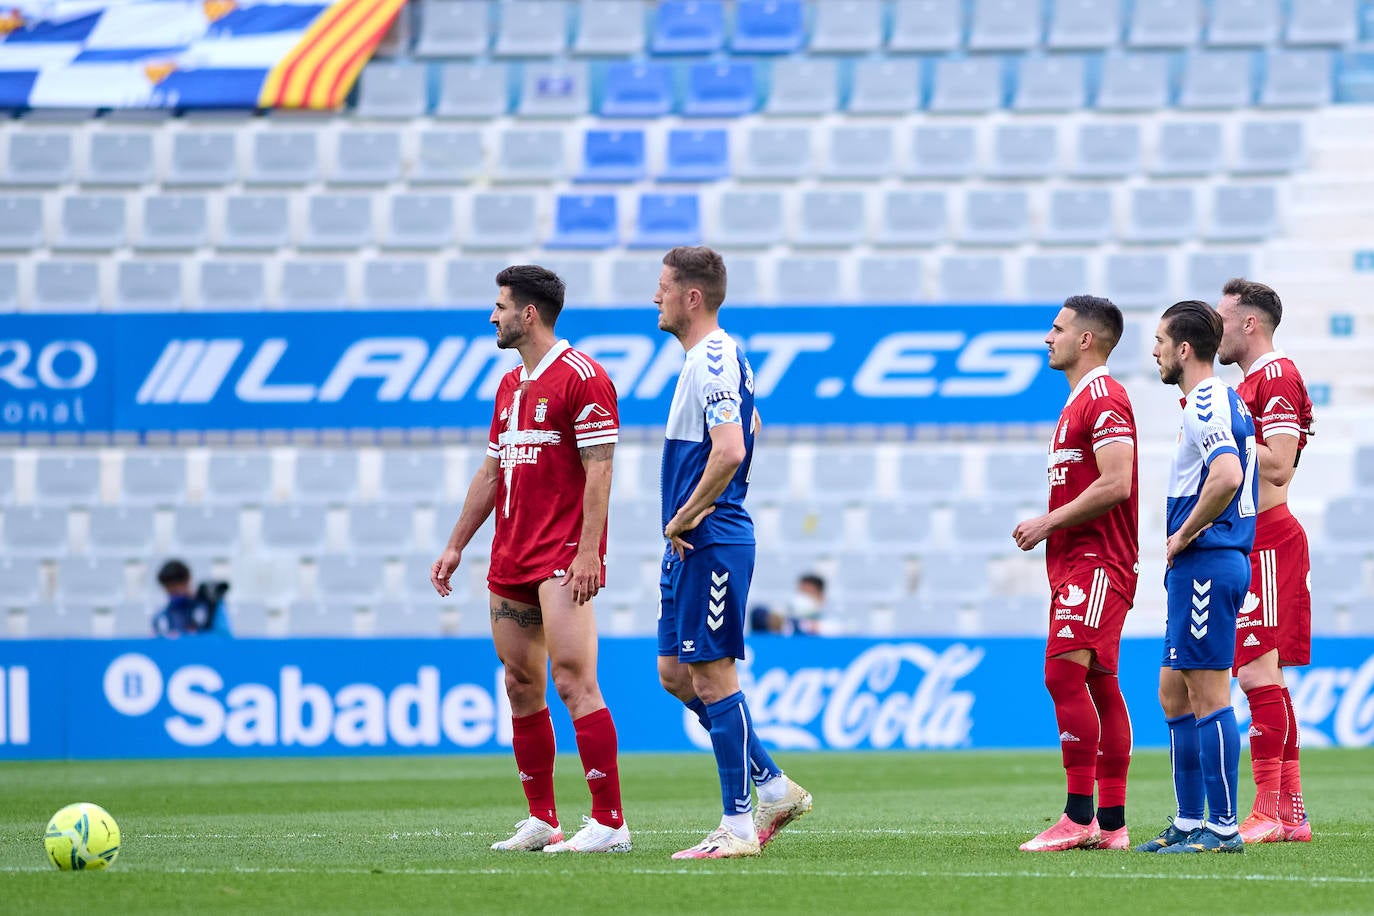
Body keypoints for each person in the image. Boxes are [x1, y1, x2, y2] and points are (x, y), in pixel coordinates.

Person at [430, 265, 629, 855]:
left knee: (573, 680)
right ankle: (543, 818)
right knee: (521, 685)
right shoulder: (509, 385)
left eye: (499, 306)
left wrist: (591, 550)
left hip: (562, 556)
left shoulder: (584, 378)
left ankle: (610, 824)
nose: (492, 316)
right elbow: (492, 471)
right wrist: (455, 544)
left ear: (528, 314)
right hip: (510, 556)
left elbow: (600, 469)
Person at [652, 246, 812, 860]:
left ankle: (738, 825)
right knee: (675, 675)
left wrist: (689, 513)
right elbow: (754, 425)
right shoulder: (710, 360)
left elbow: (730, 450)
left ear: (692, 297)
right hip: (695, 538)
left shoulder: (713, 358)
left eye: (664, 286)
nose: (655, 296)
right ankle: (770, 784)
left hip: (710, 537)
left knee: (714, 676)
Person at [1012, 296, 1139, 852]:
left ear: (1086, 339)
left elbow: (1117, 481)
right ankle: (1111, 824)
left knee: (1063, 676)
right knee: (1098, 683)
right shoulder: (1077, 403)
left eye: (1057, 328)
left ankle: (1078, 816)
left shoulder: (1104, 397)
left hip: (1097, 563)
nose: (1048, 337)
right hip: (1079, 564)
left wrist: (1046, 522)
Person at [1136, 300, 1257, 854]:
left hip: (1207, 561)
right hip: (1198, 566)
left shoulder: (1205, 401)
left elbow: (1228, 473)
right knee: (1173, 695)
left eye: (1160, 341)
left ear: (1184, 349)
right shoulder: (1212, 400)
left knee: (1208, 696)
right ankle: (1188, 822)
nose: (1155, 351)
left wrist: (1184, 535)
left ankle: (1224, 827)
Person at [1215, 278, 1316, 843]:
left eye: (1223, 318)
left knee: (1255, 672)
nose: (1216, 330)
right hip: (1254, 536)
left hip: (1270, 535)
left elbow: (1276, 465)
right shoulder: (1255, 382)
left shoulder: (1274, 376)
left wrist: (1217, 433)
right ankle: (1289, 813)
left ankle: (1268, 811)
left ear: (1249, 323)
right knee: (1264, 674)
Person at [152, 559, 232, 637]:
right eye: (170, 591)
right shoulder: (162, 617)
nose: (175, 595)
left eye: (176, 589)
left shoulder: (211, 606)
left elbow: (223, 637)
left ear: (188, 580)